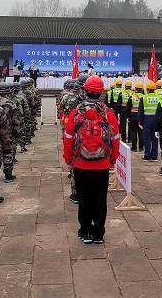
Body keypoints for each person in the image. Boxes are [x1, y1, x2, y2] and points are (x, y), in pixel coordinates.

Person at [63, 75, 120, 244]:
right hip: (102, 164)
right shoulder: (109, 114)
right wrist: (112, 159)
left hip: (81, 164)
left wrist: (68, 159)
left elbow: (68, 139)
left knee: (84, 198)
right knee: (100, 199)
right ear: (101, 92)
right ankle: (98, 233)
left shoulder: (76, 112)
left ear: (85, 90)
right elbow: (115, 139)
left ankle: (85, 231)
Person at [0, 82, 21, 182]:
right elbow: (16, 120)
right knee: (7, 152)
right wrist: (17, 132)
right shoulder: (11, 103)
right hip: (7, 132)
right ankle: (8, 174)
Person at [138, 80, 160, 161]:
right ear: (154, 89)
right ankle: (154, 156)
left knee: (147, 138)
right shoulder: (159, 98)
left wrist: (140, 120)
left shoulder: (143, 98)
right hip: (156, 119)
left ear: (147, 89)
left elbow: (141, 111)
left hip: (147, 119)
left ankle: (147, 155)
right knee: (155, 138)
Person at [126, 82, 144, 152]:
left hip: (133, 116)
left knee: (133, 132)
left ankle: (134, 147)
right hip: (141, 117)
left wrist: (128, 117)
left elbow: (128, 108)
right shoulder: (144, 96)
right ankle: (141, 147)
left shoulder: (131, 97)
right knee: (141, 132)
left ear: (136, 88)